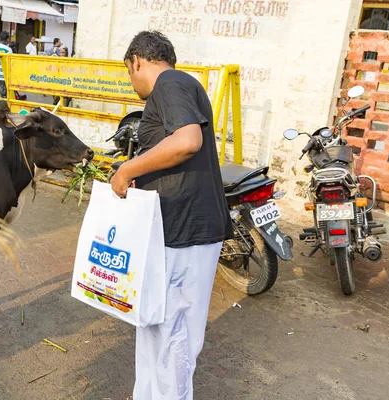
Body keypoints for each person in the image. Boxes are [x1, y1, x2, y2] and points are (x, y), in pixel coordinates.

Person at [110, 31, 233, 400]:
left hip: (184, 231)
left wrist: (128, 169)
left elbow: (186, 141)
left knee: (173, 336)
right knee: (153, 326)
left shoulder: (169, 82)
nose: (132, 85)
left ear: (138, 61)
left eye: (129, 74)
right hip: (173, 230)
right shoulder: (178, 85)